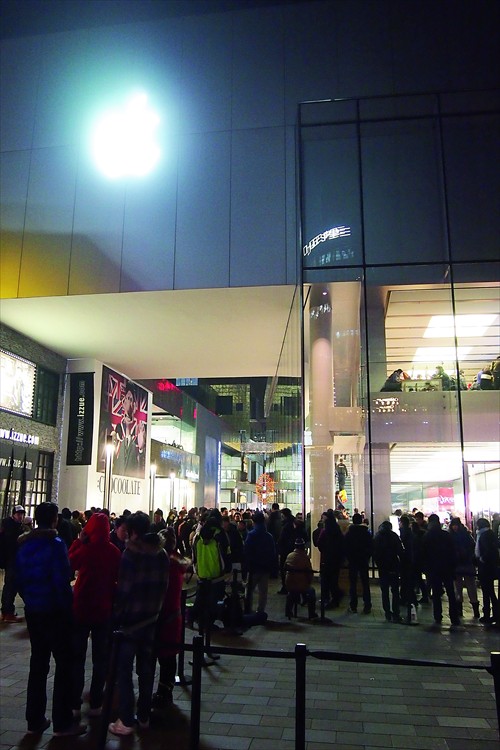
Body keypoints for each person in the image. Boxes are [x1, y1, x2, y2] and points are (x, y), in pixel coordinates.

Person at [15, 502, 86, 737]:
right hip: (55, 612)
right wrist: (68, 609)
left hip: (34, 611)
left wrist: (31, 600)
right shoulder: (55, 545)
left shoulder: (24, 546)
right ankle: (62, 722)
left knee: (38, 665)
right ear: (55, 519)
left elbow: (19, 580)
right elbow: (61, 581)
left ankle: (34, 720)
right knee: (64, 665)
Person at [109, 511, 170, 736]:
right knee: (146, 669)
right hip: (152, 619)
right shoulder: (161, 553)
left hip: (130, 623)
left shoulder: (130, 555)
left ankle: (126, 719)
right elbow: (164, 586)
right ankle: (144, 716)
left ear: (134, 532)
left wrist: (118, 615)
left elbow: (123, 591)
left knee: (123, 671)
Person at [68, 512, 122, 718]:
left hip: (81, 606)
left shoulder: (86, 549)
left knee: (77, 657)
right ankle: (96, 700)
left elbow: (70, 563)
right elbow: (118, 577)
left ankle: (74, 701)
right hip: (104, 607)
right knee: (101, 658)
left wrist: (77, 542)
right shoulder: (113, 551)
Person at [153, 527, 191, 709]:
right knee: (168, 657)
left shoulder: (162, 563)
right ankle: (165, 690)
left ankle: (162, 692)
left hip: (161, 616)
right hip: (173, 615)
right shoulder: (177, 563)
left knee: (162, 657)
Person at [421, 514, 460, 625]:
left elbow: (423, 554)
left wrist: (425, 568)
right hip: (447, 568)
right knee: (450, 593)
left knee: (436, 593)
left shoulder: (427, 536)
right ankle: (454, 616)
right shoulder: (446, 535)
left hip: (433, 569)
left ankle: (437, 616)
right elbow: (453, 552)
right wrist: (453, 566)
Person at [243, 511, 278, 615]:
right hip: (265, 568)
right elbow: (273, 553)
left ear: (254, 522)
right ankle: (260, 611)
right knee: (263, 592)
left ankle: (248, 609)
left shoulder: (251, 535)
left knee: (249, 590)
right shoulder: (269, 536)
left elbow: (247, 551)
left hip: (253, 568)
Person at [373, 520, 404, 623]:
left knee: (385, 591)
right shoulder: (394, 536)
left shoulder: (377, 537)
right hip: (393, 566)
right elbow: (400, 551)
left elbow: (374, 552)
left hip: (383, 568)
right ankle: (396, 613)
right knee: (395, 591)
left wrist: (378, 564)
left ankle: (387, 612)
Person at [113, 382, 146, 477]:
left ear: (135, 406)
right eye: (127, 399)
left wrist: (141, 446)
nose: (129, 402)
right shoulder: (118, 427)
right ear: (123, 403)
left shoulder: (138, 429)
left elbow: (140, 453)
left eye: (131, 399)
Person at [448, 517, 479, 618]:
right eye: (454, 525)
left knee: (460, 587)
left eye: (455, 525)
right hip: (466, 564)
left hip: (459, 564)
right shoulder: (467, 535)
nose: (455, 527)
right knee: (468, 587)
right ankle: (473, 609)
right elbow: (473, 547)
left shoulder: (451, 536)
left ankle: (461, 610)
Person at [1, 504, 27, 622]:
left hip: (11, 560)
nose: (21, 516)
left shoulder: (8, 525)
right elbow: (13, 542)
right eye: (19, 514)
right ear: (13, 514)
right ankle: (8, 612)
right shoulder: (11, 527)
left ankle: (6, 612)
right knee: (11, 586)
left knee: (10, 586)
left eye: (22, 514)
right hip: (12, 559)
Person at [344, 512, 373, 614]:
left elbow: (345, 547)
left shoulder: (349, 533)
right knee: (365, 582)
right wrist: (367, 557)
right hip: (363, 560)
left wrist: (348, 558)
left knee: (353, 583)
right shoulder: (366, 533)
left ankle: (353, 605)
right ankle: (367, 605)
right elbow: (371, 546)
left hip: (353, 561)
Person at [317, 509, 345, 609]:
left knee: (325, 580)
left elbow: (319, 543)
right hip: (336, 559)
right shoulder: (338, 530)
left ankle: (326, 599)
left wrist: (324, 551)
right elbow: (342, 543)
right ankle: (335, 598)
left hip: (327, 558)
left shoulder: (325, 531)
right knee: (334, 579)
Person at [284, 538, 318, 619]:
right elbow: (309, 573)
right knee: (311, 591)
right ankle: (311, 613)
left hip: (290, 584)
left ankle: (288, 611)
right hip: (302, 585)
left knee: (292, 593)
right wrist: (309, 582)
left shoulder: (289, 556)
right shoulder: (305, 558)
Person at [475, 517, 499, 625]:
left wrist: (481, 559)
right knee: (490, 592)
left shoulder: (483, 535)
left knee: (487, 591)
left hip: (485, 567)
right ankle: (495, 614)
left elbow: (486, 551)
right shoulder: (490, 534)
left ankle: (488, 614)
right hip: (491, 567)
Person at [277, 508, 298, 594]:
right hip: (292, 549)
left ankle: (286, 587)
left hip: (286, 550)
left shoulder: (286, 525)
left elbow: (282, 538)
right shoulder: (294, 523)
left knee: (284, 569)